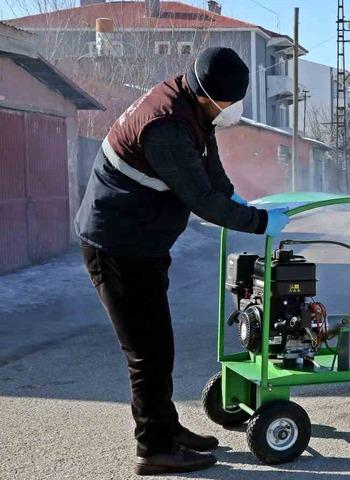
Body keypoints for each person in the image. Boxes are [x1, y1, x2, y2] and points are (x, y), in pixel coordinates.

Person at [75, 47, 290, 475]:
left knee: (159, 345)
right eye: (228, 103)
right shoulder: (166, 126)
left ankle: (166, 428)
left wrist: (236, 198)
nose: (231, 110)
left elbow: (210, 171)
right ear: (208, 96)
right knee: (147, 353)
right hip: (118, 246)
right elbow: (201, 200)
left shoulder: (191, 105)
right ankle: (154, 448)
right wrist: (258, 222)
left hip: (142, 244)